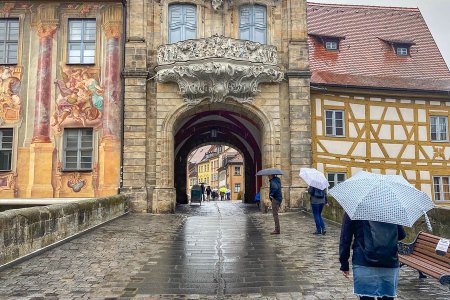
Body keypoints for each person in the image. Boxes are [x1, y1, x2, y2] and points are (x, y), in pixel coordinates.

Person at [339, 213, 406, 300]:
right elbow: (401, 235)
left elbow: (345, 238)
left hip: (363, 261)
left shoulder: (355, 210)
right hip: (389, 261)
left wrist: (344, 264)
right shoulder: (390, 209)